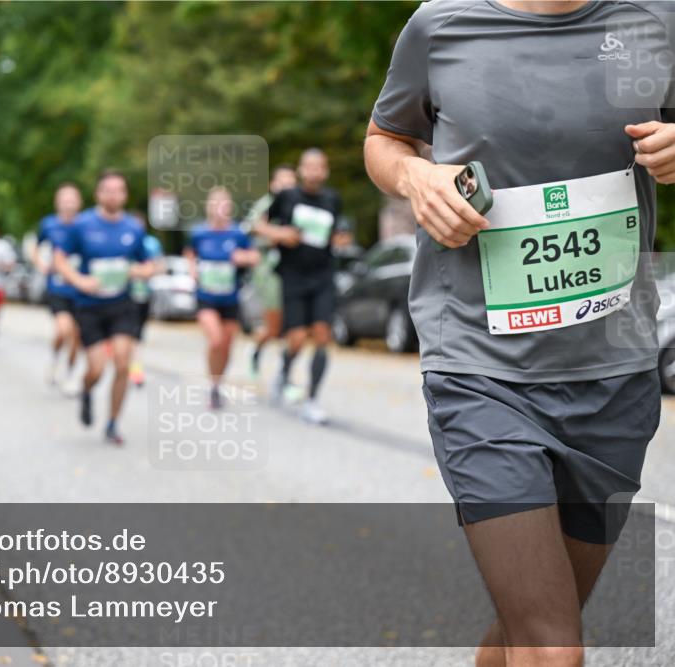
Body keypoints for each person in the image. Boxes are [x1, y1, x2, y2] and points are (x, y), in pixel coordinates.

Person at [364, 1, 673, 665]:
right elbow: (383, 140)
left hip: (615, 379)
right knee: (553, 646)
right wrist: (415, 175)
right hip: (482, 371)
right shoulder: (441, 26)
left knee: (528, 629)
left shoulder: (656, 20)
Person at [55, 170, 156, 445]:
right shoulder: (82, 225)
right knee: (97, 369)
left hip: (121, 304)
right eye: (108, 190)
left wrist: (141, 271)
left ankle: (112, 423)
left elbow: (150, 263)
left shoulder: (133, 228)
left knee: (123, 363)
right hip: (89, 307)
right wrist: (80, 280)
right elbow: (60, 259)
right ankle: (87, 391)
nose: (113, 195)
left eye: (119, 190)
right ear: (99, 194)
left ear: (124, 194)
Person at [255, 148, 351, 424]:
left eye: (319, 167)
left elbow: (336, 235)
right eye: (308, 166)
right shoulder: (287, 197)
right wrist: (279, 233)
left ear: (325, 170)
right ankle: (284, 373)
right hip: (293, 275)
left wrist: (340, 240)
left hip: (322, 275)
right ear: (301, 170)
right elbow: (257, 225)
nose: (313, 171)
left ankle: (312, 400)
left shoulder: (332, 199)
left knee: (322, 335)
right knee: (296, 338)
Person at [186, 187, 259, 408]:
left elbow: (254, 256)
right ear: (209, 207)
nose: (220, 208)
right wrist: (192, 270)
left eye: (224, 204)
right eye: (215, 203)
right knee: (216, 340)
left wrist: (242, 257)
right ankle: (212, 383)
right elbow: (190, 253)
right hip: (206, 296)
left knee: (226, 346)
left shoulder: (237, 234)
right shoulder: (199, 233)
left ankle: (217, 386)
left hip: (230, 298)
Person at [245, 165, 296, 378]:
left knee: (294, 327)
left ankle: (285, 375)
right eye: (281, 181)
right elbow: (251, 226)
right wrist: (278, 234)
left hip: (295, 272)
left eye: (290, 181)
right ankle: (256, 350)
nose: (286, 186)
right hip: (270, 273)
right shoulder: (266, 205)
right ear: (272, 184)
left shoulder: (298, 204)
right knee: (275, 327)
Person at [33, 183, 84, 389]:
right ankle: (54, 359)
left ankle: (71, 373)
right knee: (64, 329)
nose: (69, 204)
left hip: (80, 288)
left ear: (79, 203)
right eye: (65, 199)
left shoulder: (85, 225)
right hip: (57, 288)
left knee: (77, 335)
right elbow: (36, 247)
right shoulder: (49, 225)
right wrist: (42, 266)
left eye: (72, 199)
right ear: (58, 203)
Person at [128, 218, 163, 388]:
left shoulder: (151, 244)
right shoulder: (123, 242)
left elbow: (160, 265)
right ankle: (134, 368)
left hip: (145, 295)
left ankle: (134, 368)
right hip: (126, 296)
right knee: (130, 334)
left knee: (138, 335)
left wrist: (149, 271)